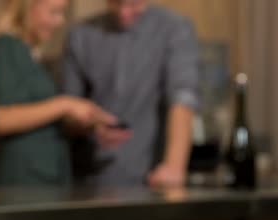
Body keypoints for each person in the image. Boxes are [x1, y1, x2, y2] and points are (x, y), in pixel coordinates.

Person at [0, 0, 129, 187]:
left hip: (46, 177)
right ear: (28, 7)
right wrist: (66, 105)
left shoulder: (27, 53)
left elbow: (39, 119)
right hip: (24, 181)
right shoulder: (6, 46)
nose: (60, 21)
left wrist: (88, 125)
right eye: (54, 12)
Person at [64, 0, 199, 187]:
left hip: (150, 176)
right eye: (116, 3)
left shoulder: (174, 29)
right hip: (90, 176)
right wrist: (91, 126)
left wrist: (174, 165)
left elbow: (183, 97)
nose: (124, 13)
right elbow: (69, 107)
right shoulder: (80, 35)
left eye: (134, 4)